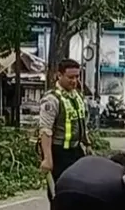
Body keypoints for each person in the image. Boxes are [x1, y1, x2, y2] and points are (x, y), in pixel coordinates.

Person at [39, 58, 92, 199]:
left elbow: (81, 122)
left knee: (82, 189)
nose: (74, 80)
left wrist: (87, 144)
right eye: (70, 77)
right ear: (59, 75)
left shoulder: (77, 96)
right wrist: (47, 159)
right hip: (59, 152)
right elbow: (45, 130)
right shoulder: (51, 99)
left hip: (76, 150)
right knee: (60, 193)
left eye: (77, 77)